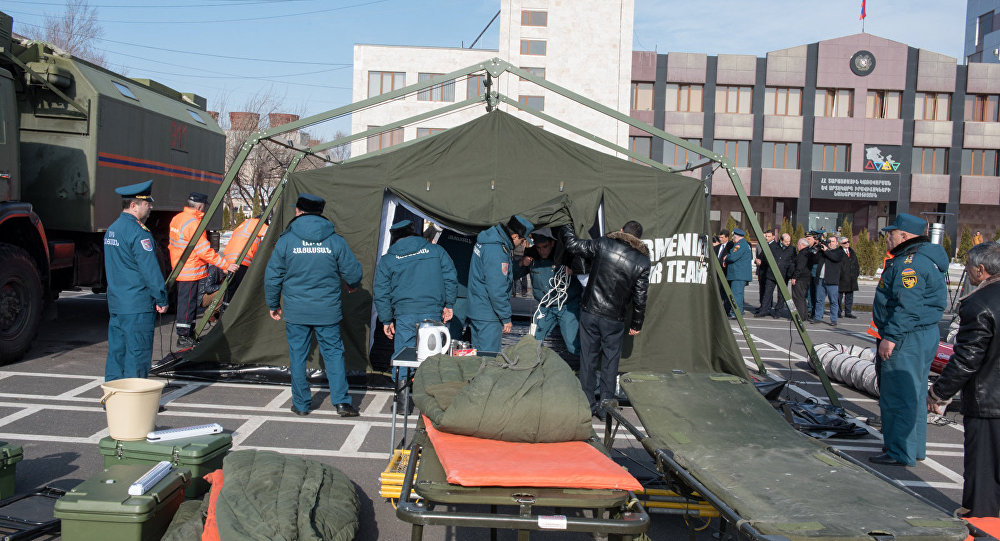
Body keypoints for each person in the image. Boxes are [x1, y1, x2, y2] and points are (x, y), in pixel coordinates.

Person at [265, 193, 363, 417]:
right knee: (334, 354)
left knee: (298, 356)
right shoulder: (335, 240)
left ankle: (301, 405)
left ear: (298, 211)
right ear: (320, 212)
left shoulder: (287, 240)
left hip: (297, 309)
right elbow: (354, 272)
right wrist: (352, 284)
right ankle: (342, 403)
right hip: (327, 310)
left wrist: (273, 303)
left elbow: (273, 276)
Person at [928, 242, 1000, 516]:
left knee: (983, 469)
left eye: (969, 265)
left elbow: (967, 359)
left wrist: (938, 393)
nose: (966, 270)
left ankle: (981, 524)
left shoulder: (979, 304)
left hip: (989, 401)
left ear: (981, 270)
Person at [870, 213, 948, 466]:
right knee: (914, 394)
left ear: (904, 236)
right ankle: (913, 448)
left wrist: (890, 337)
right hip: (921, 333)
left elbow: (907, 306)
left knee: (898, 394)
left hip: (907, 336)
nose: (887, 238)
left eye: (890, 234)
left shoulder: (909, 264)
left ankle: (899, 451)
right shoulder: (920, 259)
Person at [562, 220, 650, 419]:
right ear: (638, 240)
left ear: (621, 231)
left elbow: (574, 245)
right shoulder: (642, 262)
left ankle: (586, 404)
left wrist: (568, 224)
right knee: (611, 363)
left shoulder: (604, 244)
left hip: (590, 311)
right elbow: (640, 297)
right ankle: (606, 408)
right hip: (614, 318)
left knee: (587, 359)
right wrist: (636, 323)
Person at [103, 180, 169, 381]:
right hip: (137, 305)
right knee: (137, 354)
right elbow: (150, 270)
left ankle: (114, 400)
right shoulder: (139, 233)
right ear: (133, 206)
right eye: (146, 204)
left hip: (117, 303)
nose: (150, 207)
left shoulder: (112, 230)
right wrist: (161, 298)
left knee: (117, 353)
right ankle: (136, 404)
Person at [373, 219, 458, 359]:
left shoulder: (388, 260)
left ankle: (401, 380)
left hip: (405, 314)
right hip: (433, 311)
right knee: (433, 356)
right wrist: (449, 304)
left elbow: (381, 292)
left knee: (404, 356)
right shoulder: (436, 250)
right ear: (413, 232)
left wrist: (386, 320)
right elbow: (450, 277)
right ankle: (428, 381)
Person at [169, 192, 237, 348]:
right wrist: (225, 265)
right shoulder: (193, 223)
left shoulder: (177, 219)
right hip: (190, 268)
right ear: (200, 206)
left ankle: (188, 334)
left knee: (189, 303)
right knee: (187, 304)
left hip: (181, 265)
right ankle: (184, 335)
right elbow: (204, 251)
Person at [466, 215, 533, 352]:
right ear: (514, 236)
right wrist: (505, 316)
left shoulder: (488, 241)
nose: (521, 244)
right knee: (488, 359)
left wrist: (519, 265)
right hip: (488, 314)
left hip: (478, 310)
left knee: (478, 358)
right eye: (521, 240)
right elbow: (496, 288)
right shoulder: (497, 250)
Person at [518, 228, 581, 355]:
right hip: (545, 308)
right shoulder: (532, 257)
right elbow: (513, 274)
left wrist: (576, 269)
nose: (541, 251)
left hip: (567, 306)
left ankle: (594, 368)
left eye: (545, 247)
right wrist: (521, 263)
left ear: (553, 243)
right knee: (532, 342)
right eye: (538, 247)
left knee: (573, 346)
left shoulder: (567, 255)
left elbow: (588, 271)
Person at [221, 215, 268, 305]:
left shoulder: (243, 225)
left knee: (231, 291)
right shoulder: (257, 223)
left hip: (230, 262)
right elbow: (272, 233)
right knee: (244, 291)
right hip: (241, 261)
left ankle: (226, 313)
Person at [757, 233, 793, 318]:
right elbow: (765, 257)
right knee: (767, 293)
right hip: (771, 274)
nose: (788, 243)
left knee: (781, 295)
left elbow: (793, 261)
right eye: (786, 241)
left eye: (789, 241)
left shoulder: (791, 249)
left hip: (784, 275)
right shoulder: (773, 247)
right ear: (781, 240)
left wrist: (790, 272)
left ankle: (778, 312)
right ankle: (764, 310)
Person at [811, 236, 844, 326]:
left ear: (837, 243)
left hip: (832, 280)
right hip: (821, 279)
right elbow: (814, 259)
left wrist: (826, 251)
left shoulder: (839, 252)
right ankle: (818, 317)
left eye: (833, 241)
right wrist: (817, 249)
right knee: (819, 300)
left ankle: (834, 319)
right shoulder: (823, 251)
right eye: (829, 241)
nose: (830, 243)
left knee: (833, 301)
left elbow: (835, 258)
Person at [723, 228, 751, 318]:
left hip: (738, 274)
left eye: (733, 236)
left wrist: (726, 258)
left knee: (736, 295)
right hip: (738, 274)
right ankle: (738, 312)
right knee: (737, 294)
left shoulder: (740, 245)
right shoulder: (742, 244)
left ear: (736, 236)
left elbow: (733, 257)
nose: (732, 238)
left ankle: (736, 313)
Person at [838, 236, 860, 319]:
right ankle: (838, 312)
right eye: (844, 243)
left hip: (851, 278)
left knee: (849, 296)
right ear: (840, 244)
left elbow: (856, 264)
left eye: (848, 242)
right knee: (839, 297)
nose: (847, 244)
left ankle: (848, 312)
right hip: (842, 279)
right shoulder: (839, 252)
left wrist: (856, 274)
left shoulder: (852, 251)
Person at [789, 237, 812, 319]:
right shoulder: (807, 252)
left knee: (798, 297)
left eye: (798, 244)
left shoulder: (802, 254)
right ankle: (804, 315)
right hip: (805, 278)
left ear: (802, 245)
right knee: (802, 298)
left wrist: (794, 277)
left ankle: (799, 316)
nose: (797, 246)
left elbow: (800, 267)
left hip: (800, 279)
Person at [755, 230, 776, 309]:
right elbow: (759, 256)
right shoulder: (763, 245)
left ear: (773, 237)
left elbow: (770, 260)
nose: (766, 238)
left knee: (767, 291)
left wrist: (761, 261)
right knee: (762, 290)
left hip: (768, 272)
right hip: (762, 271)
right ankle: (762, 306)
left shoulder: (774, 246)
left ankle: (766, 307)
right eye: (766, 236)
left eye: (768, 236)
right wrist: (756, 260)